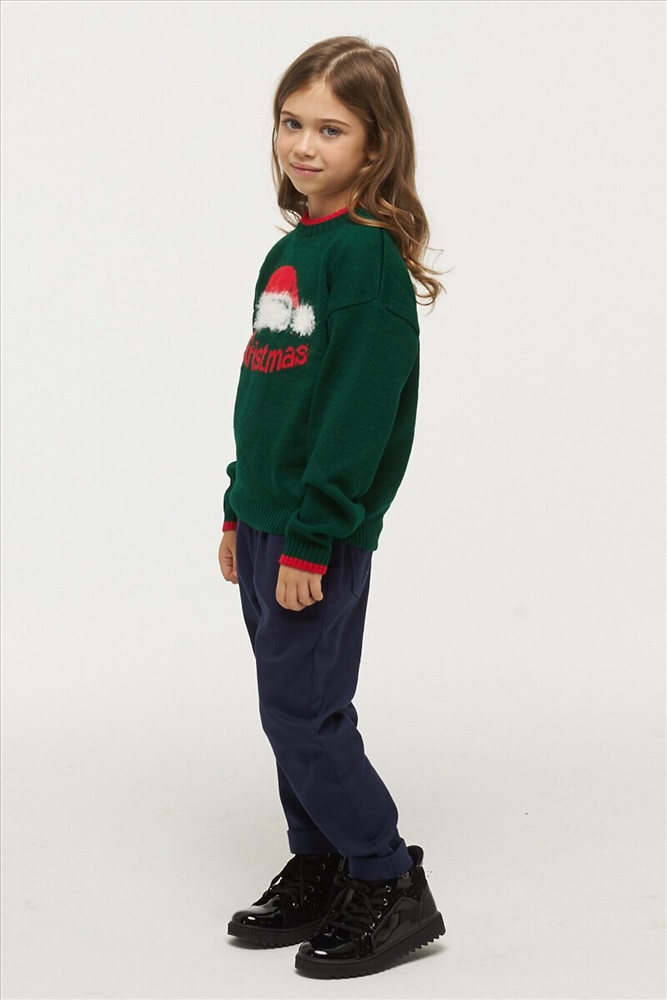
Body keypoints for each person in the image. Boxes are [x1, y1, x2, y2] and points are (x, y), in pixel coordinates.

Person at [218, 35, 446, 980]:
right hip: (268, 521)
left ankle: (388, 878)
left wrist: (312, 537)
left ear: (375, 146)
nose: (303, 145)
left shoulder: (365, 261)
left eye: (330, 129)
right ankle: (319, 860)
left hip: (316, 531)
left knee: (305, 712)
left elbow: (356, 415)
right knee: (287, 709)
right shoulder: (291, 251)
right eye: (291, 122)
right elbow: (266, 392)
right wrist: (238, 507)